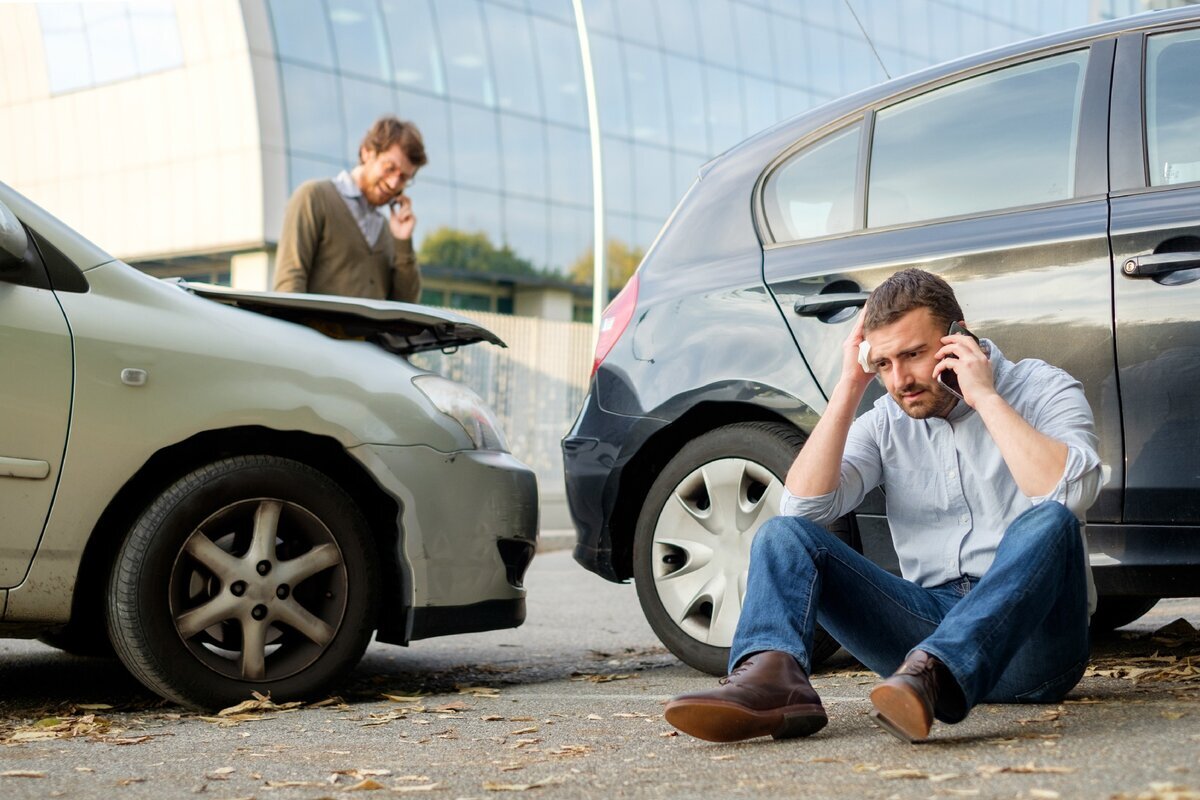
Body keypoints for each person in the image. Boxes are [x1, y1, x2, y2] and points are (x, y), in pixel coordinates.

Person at [664, 268, 1101, 744]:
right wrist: (849, 385)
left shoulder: (1041, 387)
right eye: (884, 363)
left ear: (959, 337)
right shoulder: (886, 421)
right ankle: (774, 683)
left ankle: (939, 673)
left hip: (1030, 643)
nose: (900, 380)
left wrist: (985, 397)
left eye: (912, 355)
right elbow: (804, 508)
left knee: (1050, 518)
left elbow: (1069, 493)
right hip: (920, 642)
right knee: (782, 533)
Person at [273, 115, 426, 302]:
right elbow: (289, 283)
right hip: (313, 331)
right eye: (389, 168)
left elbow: (406, 305)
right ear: (366, 153)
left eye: (403, 178)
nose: (394, 183)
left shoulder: (388, 230)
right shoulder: (314, 197)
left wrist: (403, 242)